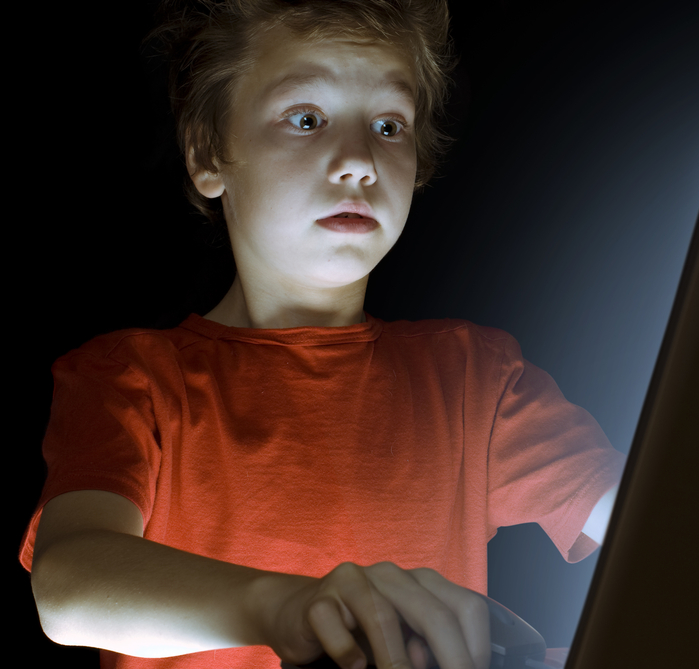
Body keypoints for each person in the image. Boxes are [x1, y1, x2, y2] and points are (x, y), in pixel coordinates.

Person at [20, 2, 625, 668]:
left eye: (388, 125)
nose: (360, 161)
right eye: (306, 119)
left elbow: (666, 531)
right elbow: (69, 585)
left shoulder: (479, 380)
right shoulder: (129, 380)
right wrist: (283, 608)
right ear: (207, 152)